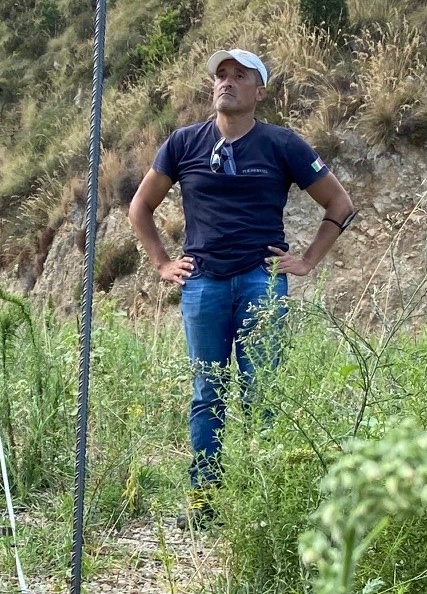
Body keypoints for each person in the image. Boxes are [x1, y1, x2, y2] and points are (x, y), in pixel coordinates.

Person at [128, 47, 355, 501]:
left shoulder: (282, 144)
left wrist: (307, 260)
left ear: (260, 91)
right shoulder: (183, 143)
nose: (226, 82)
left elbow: (340, 204)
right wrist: (161, 263)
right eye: (221, 75)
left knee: (263, 396)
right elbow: (140, 207)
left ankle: (261, 499)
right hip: (203, 284)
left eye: (239, 76)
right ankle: (205, 499)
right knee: (207, 394)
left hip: (261, 282)